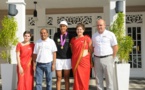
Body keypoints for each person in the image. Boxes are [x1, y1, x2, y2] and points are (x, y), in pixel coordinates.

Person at [92, 19, 118, 90]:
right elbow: (93, 47)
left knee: (109, 78)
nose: (99, 27)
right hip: (97, 59)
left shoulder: (110, 34)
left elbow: (115, 46)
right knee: (98, 78)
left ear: (104, 25)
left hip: (108, 58)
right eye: (98, 25)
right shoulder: (94, 36)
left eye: (101, 25)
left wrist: (113, 57)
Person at [70, 23, 93, 90]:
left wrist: (85, 55)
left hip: (85, 62)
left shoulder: (87, 39)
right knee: (77, 79)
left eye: (80, 29)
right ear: (76, 30)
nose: (79, 31)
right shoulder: (73, 40)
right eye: (77, 29)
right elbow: (72, 50)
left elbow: (91, 50)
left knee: (84, 78)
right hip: (76, 61)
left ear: (83, 30)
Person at [54, 20, 72, 90]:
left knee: (66, 78)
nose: (62, 27)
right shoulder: (56, 34)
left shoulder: (70, 35)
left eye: (64, 26)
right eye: (61, 26)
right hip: (58, 58)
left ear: (66, 27)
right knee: (58, 77)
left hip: (67, 58)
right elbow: (54, 47)